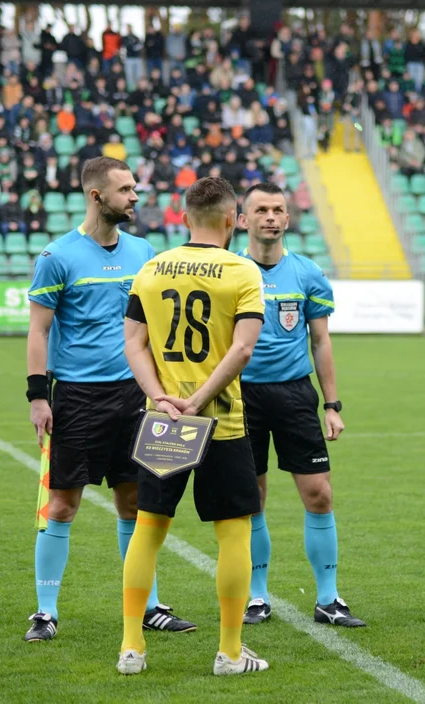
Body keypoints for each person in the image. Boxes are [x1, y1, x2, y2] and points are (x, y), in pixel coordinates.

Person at [24, 157, 194, 643]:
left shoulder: (144, 251)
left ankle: (149, 605)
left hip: (135, 397)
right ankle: (46, 610)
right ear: (97, 196)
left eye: (135, 188)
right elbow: (38, 330)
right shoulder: (57, 256)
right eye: (125, 189)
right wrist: (39, 396)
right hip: (76, 396)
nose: (135, 197)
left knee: (136, 501)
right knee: (61, 505)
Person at [118, 177, 269, 677]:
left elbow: (134, 344)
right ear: (233, 219)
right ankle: (229, 653)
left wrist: (160, 397)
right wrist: (199, 398)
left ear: (185, 218)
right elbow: (243, 349)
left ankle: (132, 647)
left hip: (163, 420)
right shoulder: (243, 271)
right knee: (232, 535)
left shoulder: (152, 267)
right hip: (221, 419)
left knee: (149, 528)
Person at [235, 182, 365, 628]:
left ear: (288, 219)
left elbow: (321, 341)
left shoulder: (308, 273)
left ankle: (328, 598)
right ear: (242, 220)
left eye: (278, 210)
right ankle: (256, 596)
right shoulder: (231, 271)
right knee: (252, 498)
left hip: (294, 395)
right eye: (261, 210)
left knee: (319, 494)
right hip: (241, 396)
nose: (270, 217)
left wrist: (332, 404)